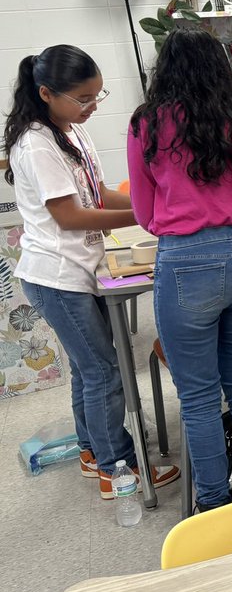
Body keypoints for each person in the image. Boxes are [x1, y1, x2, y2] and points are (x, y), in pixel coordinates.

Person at [128, 28, 232, 513]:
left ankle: (217, 507)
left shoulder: (147, 125)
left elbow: (143, 213)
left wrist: (193, 232)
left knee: (198, 396)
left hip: (184, 260)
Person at [4, 45, 180, 497]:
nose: (91, 107)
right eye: (83, 99)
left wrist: (155, 201)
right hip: (56, 276)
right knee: (104, 371)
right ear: (46, 93)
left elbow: (97, 194)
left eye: (97, 97)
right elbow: (72, 216)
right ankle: (116, 468)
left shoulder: (69, 131)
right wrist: (148, 217)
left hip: (82, 269)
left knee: (88, 370)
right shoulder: (36, 143)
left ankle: (91, 450)